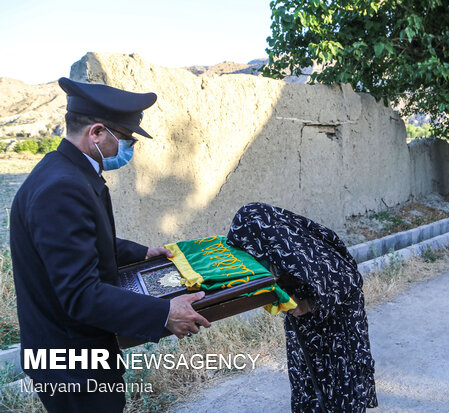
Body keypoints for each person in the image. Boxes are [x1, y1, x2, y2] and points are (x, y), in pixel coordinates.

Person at [10, 78, 210, 413]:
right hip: (72, 366)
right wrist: (165, 313)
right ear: (97, 133)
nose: (128, 147)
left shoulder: (65, 170)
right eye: (126, 138)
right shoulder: (61, 188)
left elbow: (80, 240)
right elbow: (80, 295)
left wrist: (139, 253)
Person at [227, 202, 377, 413]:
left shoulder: (298, 248)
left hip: (337, 330)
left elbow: (349, 280)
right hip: (305, 327)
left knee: (337, 390)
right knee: (307, 383)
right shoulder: (274, 248)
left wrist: (308, 304)